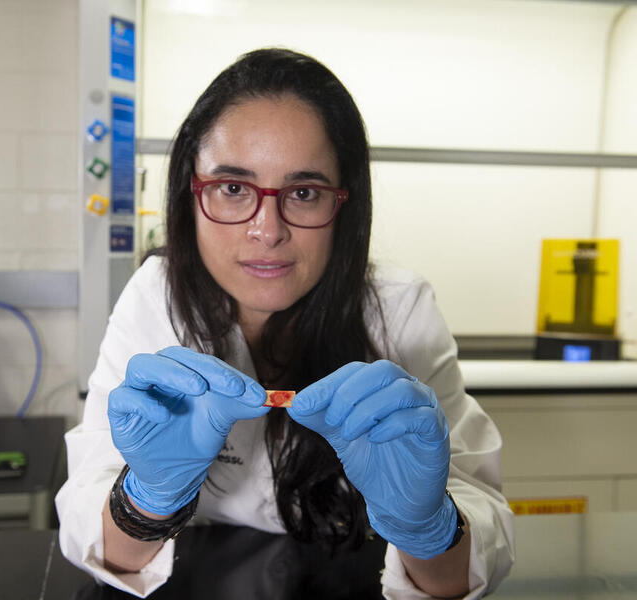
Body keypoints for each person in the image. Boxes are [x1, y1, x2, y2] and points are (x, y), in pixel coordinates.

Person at [56, 48, 514, 598]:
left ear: (344, 205)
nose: (268, 230)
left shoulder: (399, 311)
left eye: (303, 193)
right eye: (233, 188)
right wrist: (147, 500)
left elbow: (468, 566)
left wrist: (426, 524)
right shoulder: (157, 299)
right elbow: (99, 542)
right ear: (189, 192)